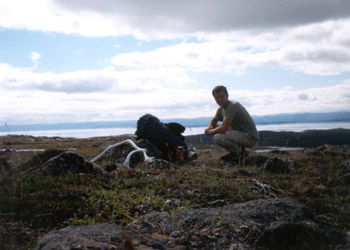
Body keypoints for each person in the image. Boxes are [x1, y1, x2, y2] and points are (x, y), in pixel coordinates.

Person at [205, 85, 259, 161]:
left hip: (250, 137)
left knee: (218, 138)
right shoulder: (221, 109)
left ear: (227, 95)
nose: (220, 99)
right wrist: (210, 126)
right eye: (217, 97)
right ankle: (240, 152)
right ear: (214, 99)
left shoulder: (232, 106)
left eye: (222, 96)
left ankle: (241, 154)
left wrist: (210, 132)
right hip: (240, 134)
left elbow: (223, 129)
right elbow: (214, 120)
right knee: (216, 127)